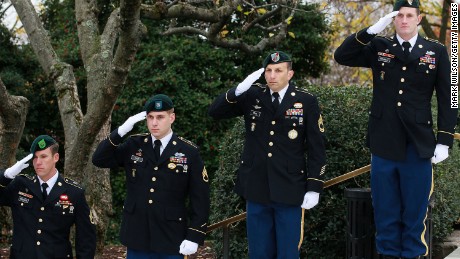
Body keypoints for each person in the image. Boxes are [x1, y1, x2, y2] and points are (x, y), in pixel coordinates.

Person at [334, 0, 458, 258]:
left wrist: (444, 139)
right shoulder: (380, 46)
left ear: (419, 18)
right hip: (384, 143)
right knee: (386, 215)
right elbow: (341, 56)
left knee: (414, 216)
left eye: (409, 15)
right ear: (393, 19)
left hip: (418, 145)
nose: (404, 20)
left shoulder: (435, 51)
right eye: (399, 15)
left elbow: (450, 96)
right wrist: (370, 30)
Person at [208, 51, 326, 258]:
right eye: (268, 71)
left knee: (287, 254)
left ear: (290, 74)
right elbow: (215, 112)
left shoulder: (305, 101)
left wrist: (314, 186)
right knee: (259, 252)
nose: (272, 75)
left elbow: (317, 147)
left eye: (278, 70)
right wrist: (237, 90)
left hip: (290, 188)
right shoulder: (253, 95)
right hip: (256, 187)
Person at [92, 94, 210, 258]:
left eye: (160, 117)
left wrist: (195, 236)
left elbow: (201, 198)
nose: (154, 123)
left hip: (171, 236)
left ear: (172, 117)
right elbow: (99, 159)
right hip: (137, 235)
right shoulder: (134, 145)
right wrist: (121, 131)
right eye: (150, 117)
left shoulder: (188, 152)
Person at [0, 135, 96, 259]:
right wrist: (6, 175)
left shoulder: (74, 192)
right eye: (35, 158)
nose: (38, 162)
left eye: (44, 156)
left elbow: (86, 239)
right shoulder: (20, 185)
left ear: (55, 157)